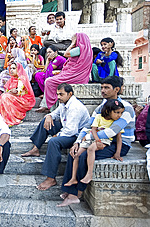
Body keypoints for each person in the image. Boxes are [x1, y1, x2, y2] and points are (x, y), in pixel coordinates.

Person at [59, 76, 135, 207]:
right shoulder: (101, 107)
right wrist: (77, 142)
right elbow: (88, 126)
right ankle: (69, 189)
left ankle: (76, 193)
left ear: (116, 89)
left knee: (83, 155)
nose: (103, 91)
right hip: (99, 139)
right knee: (75, 151)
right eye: (102, 87)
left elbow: (112, 132)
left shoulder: (125, 108)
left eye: (106, 88)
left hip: (119, 144)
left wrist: (88, 138)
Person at [21, 83, 90, 191]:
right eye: (57, 94)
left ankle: (51, 178)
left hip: (76, 136)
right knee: (46, 121)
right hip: (67, 130)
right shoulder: (63, 103)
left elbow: (71, 131)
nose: (58, 97)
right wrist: (48, 116)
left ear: (70, 94)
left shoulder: (75, 107)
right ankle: (36, 148)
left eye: (61, 94)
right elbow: (55, 114)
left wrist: (57, 135)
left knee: (54, 142)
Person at [64, 99, 125, 187]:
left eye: (121, 113)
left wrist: (117, 153)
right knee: (77, 154)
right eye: (117, 112)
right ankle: (73, 178)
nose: (119, 115)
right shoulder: (99, 117)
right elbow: (93, 129)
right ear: (108, 111)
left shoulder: (116, 123)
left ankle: (89, 174)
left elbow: (119, 138)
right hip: (93, 138)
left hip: (105, 139)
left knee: (91, 149)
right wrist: (97, 140)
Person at [43, 33, 92, 110]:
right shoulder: (86, 50)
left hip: (74, 75)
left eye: (74, 39)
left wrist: (72, 44)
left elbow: (66, 54)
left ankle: (51, 107)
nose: (73, 40)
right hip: (76, 74)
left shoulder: (80, 49)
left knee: (49, 81)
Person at [0, 62, 36, 127]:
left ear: (18, 69)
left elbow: (18, 92)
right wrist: (10, 92)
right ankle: (3, 119)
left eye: (14, 68)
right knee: (3, 97)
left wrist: (11, 92)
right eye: (10, 68)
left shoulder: (22, 78)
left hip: (23, 100)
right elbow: (7, 92)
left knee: (5, 97)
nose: (11, 70)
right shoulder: (10, 80)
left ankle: (9, 119)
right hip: (12, 98)